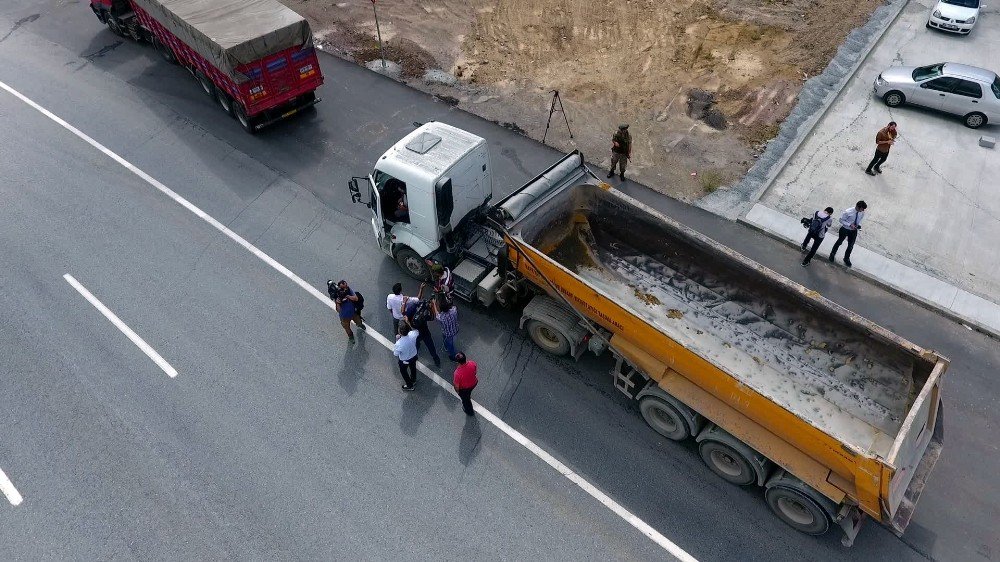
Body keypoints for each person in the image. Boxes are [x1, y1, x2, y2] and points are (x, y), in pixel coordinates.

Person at [403, 287, 441, 367]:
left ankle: (415, 356)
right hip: (425, 332)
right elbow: (433, 317)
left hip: (415, 333)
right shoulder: (425, 313)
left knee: (416, 344)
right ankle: (436, 359)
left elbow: (405, 317)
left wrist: (410, 325)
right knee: (430, 346)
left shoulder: (412, 307)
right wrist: (433, 305)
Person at [828, 201, 868, 268]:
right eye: (862, 209)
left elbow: (860, 220)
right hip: (845, 229)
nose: (863, 210)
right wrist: (849, 224)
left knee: (850, 246)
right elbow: (841, 220)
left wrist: (859, 225)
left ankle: (846, 258)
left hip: (854, 231)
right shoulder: (848, 212)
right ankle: (832, 254)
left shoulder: (862, 213)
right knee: (839, 242)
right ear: (858, 207)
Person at [394, 325, 420, 391]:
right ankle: (413, 380)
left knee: (403, 371)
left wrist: (397, 340)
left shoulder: (399, 343)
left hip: (404, 360)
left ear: (400, 333)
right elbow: (417, 332)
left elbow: (396, 353)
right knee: (413, 367)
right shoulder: (412, 334)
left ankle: (409, 385)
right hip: (414, 356)